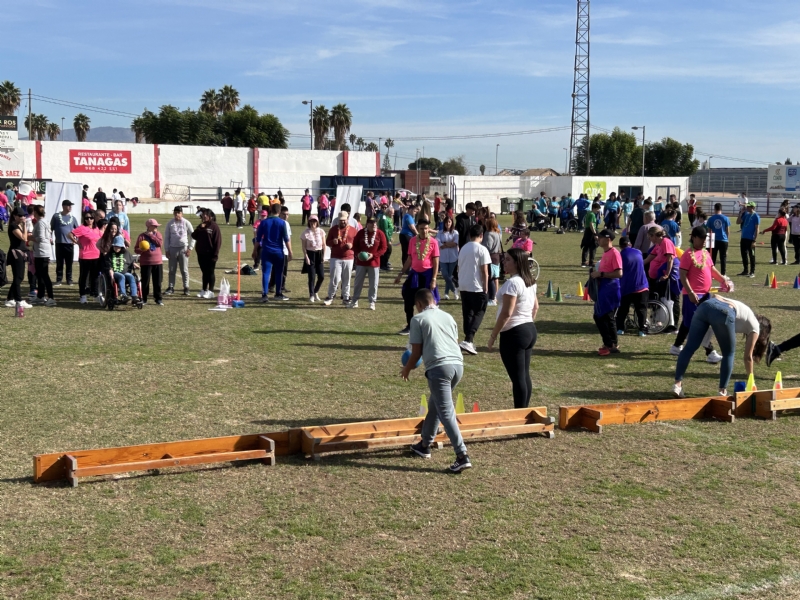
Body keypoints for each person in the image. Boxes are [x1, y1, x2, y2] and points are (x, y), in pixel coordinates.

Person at [402, 288, 471, 473]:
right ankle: (424, 444)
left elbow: (416, 352)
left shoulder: (418, 320)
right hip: (458, 366)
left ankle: (462, 455)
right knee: (436, 405)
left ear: (418, 305)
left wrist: (406, 368)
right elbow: (454, 342)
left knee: (446, 412)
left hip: (439, 368)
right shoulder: (448, 316)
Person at [674, 296, 770, 398]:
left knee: (689, 348)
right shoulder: (755, 326)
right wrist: (752, 381)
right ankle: (722, 390)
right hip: (724, 310)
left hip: (705, 306)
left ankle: (677, 385)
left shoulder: (747, 313)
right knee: (728, 353)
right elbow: (748, 357)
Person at [486, 248, 539, 408]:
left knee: (518, 378)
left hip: (514, 333)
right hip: (528, 329)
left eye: (508, 259)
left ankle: (520, 414)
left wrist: (493, 336)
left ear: (517, 263)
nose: (504, 262)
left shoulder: (512, 283)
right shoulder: (529, 281)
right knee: (523, 376)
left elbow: (506, 313)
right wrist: (527, 324)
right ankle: (524, 411)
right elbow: (535, 307)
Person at [671, 226, 730, 360]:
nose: (704, 241)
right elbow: (683, 275)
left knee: (688, 322)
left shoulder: (705, 254)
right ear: (694, 238)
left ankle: (676, 346)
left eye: (706, 239)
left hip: (705, 295)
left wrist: (723, 280)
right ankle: (710, 352)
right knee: (697, 324)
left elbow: (712, 269)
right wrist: (691, 292)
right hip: (692, 295)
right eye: (702, 238)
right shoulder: (687, 255)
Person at [395, 219, 440, 335]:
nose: (424, 231)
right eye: (421, 229)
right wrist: (401, 273)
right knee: (408, 297)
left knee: (428, 303)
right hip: (414, 274)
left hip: (427, 275)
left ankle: (429, 327)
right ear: (417, 229)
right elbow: (409, 259)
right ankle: (410, 326)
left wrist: (434, 279)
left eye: (426, 228)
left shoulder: (434, 242)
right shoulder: (413, 241)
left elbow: (436, 262)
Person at [457, 224, 491, 355]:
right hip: (477, 286)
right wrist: (486, 287)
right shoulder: (482, 250)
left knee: (468, 313)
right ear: (481, 235)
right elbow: (484, 271)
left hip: (464, 285)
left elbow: (459, 267)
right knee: (479, 311)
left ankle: (468, 340)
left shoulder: (464, 248)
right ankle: (469, 339)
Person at [590, 229, 623, 356]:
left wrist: (601, 274)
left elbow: (619, 273)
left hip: (610, 288)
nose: (598, 239)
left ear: (608, 239)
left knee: (601, 316)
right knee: (606, 317)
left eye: (600, 237)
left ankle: (609, 344)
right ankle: (612, 344)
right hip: (604, 287)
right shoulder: (606, 253)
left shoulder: (614, 253)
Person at [349, 217, 388, 310]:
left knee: (373, 283)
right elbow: (355, 245)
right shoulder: (361, 233)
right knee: (358, 282)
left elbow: (384, 248)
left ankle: (372, 302)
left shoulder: (380, 233)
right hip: (361, 263)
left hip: (374, 263)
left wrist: (374, 255)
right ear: (367, 224)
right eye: (371, 223)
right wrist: (358, 254)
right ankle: (355, 301)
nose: (374, 225)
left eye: (375, 223)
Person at [255, 203, 291, 302]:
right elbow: (286, 239)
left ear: (271, 210)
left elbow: (258, 239)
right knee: (279, 273)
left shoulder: (263, 222)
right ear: (279, 212)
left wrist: (254, 251)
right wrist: (290, 251)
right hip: (278, 251)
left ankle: (264, 295)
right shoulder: (282, 223)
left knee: (266, 273)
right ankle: (278, 293)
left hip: (266, 251)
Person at [615, 236, 648, 336]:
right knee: (641, 309)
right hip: (642, 285)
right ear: (630, 244)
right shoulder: (638, 252)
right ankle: (642, 330)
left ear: (620, 246)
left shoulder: (621, 255)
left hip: (628, 287)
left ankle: (620, 328)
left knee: (623, 309)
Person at [324, 211, 357, 306]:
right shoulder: (333, 229)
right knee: (335, 278)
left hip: (349, 257)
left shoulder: (353, 230)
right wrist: (332, 242)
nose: (342, 222)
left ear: (348, 219)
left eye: (344, 220)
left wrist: (352, 245)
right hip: (336, 257)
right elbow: (327, 242)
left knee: (347, 279)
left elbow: (358, 244)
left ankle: (346, 297)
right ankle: (330, 296)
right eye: (341, 220)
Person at [70, 211, 103, 303]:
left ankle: (95, 294)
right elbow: (70, 234)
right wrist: (77, 242)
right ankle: (82, 295)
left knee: (95, 276)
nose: (89, 220)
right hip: (85, 256)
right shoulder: (81, 228)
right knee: (84, 277)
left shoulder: (96, 229)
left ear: (94, 219)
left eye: (91, 218)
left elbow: (102, 239)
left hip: (96, 256)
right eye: (87, 218)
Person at [191, 209, 222, 299]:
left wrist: (215, 255)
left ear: (210, 216)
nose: (204, 216)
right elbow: (193, 236)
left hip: (210, 254)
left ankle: (211, 291)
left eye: (206, 215)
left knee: (210, 272)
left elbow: (217, 241)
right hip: (201, 253)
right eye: (203, 214)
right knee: (204, 272)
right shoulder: (201, 226)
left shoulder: (214, 227)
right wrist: (200, 228)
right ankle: (204, 290)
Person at [164, 206, 195, 296]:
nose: (177, 214)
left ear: (182, 213)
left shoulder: (186, 223)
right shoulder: (170, 223)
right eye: (175, 213)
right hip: (173, 248)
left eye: (179, 213)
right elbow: (167, 237)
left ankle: (186, 287)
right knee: (172, 269)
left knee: (184, 270)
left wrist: (190, 248)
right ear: (173, 213)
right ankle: (171, 287)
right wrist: (167, 249)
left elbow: (193, 236)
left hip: (183, 248)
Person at [5, 208, 32, 308]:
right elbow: (24, 238)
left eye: (23, 216)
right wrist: (25, 225)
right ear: (15, 216)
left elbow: (24, 237)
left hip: (20, 253)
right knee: (18, 277)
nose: (22, 217)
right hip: (16, 253)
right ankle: (18, 300)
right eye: (20, 216)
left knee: (19, 277)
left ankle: (9, 298)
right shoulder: (13, 225)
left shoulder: (17, 225)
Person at [49, 199, 78, 286]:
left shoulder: (73, 218)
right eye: (68, 205)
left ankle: (69, 279)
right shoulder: (56, 216)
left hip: (69, 244)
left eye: (71, 206)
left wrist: (74, 240)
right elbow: (51, 228)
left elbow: (77, 230)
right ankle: (59, 279)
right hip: (59, 243)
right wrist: (50, 237)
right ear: (63, 206)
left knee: (69, 263)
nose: (70, 207)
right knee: (59, 262)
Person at [31, 205, 56, 306]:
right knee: (40, 275)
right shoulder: (44, 221)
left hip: (42, 252)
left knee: (44, 275)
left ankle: (51, 297)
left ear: (36, 213)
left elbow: (41, 238)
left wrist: (30, 238)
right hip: (41, 251)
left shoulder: (40, 223)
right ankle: (41, 296)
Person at [135, 219, 164, 305]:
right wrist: (141, 250)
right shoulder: (142, 236)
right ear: (149, 227)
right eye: (154, 226)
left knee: (158, 282)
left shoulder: (158, 234)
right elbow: (136, 249)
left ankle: (158, 299)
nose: (156, 227)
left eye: (156, 226)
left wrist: (152, 236)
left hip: (157, 261)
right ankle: (144, 298)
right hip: (146, 262)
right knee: (145, 282)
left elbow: (159, 243)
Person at [107, 235, 139, 303]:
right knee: (121, 276)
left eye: (118, 246)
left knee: (131, 276)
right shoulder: (109, 254)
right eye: (115, 246)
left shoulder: (126, 253)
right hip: (115, 273)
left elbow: (130, 261)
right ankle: (123, 295)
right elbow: (109, 266)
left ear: (122, 247)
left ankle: (134, 296)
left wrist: (134, 264)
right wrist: (112, 276)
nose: (117, 248)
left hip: (125, 272)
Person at [300, 215, 325, 302]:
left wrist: (323, 256)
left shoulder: (321, 231)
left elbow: (324, 245)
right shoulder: (305, 233)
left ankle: (315, 291)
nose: (313, 223)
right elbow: (303, 247)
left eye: (314, 221)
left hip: (319, 253)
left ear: (317, 222)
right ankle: (311, 294)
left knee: (321, 276)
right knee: (312, 276)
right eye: (311, 221)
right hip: (310, 254)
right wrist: (306, 257)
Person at [269, 206, 293, 295]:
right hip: (278, 249)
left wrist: (290, 249)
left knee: (284, 269)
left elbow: (289, 237)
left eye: (287, 214)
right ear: (280, 214)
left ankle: (282, 285)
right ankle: (271, 285)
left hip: (285, 249)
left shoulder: (287, 224)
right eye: (284, 214)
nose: (286, 216)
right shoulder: (277, 222)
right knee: (275, 269)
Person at [481, 217, 502, 305]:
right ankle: (493, 296)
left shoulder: (488, 234)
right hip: (496, 256)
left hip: (490, 256)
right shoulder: (498, 233)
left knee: (489, 277)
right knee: (494, 277)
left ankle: (492, 298)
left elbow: (488, 246)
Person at [437, 215, 459, 300]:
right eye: (446, 222)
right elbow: (439, 244)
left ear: (452, 222)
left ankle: (446, 293)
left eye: (449, 222)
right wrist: (449, 244)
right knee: (445, 275)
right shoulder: (440, 233)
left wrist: (445, 243)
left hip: (453, 256)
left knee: (449, 275)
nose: (448, 224)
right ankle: (454, 290)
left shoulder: (455, 233)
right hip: (443, 257)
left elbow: (455, 243)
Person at [706, 203, 731, 275]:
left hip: (713, 239)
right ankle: (723, 273)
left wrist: (708, 243)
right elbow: (727, 231)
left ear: (714, 209)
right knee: (723, 257)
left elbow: (709, 231)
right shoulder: (726, 218)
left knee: (712, 257)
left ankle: (711, 273)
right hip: (723, 240)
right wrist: (727, 240)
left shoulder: (711, 219)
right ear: (721, 209)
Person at [737, 201, 760, 277]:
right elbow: (738, 222)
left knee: (751, 255)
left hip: (751, 239)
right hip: (743, 238)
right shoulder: (746, 214)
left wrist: (754, 240)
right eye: (747, 206)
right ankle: (745, 270)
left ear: (753, 207)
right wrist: (740, 214)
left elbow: (757, 229)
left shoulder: (756, 216)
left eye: (749, 206)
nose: (747, 207)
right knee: (744, 254)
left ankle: (752, 271)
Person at [580, 202, 601, 267]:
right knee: (593, 247)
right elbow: (591, 224)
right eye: (598, 209)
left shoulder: (588, 213)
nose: (598, 211)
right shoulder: (592, 214)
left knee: (586, 247)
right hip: (591, 231)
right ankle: (591, 262)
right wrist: (595, 234)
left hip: (587, 231)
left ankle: (583, 262)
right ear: (594, 208)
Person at [378, 206, 395, 271]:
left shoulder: (388, 218)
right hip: (384, 237)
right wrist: (388, 240)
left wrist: (390, 237)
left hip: (387, 237)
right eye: (392, 213)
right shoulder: (384, 218)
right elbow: (385, 230)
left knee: (387, 250)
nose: (393, 214)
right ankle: (383, 265)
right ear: (389, 212)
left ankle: (384, 263)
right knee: (387, 250)